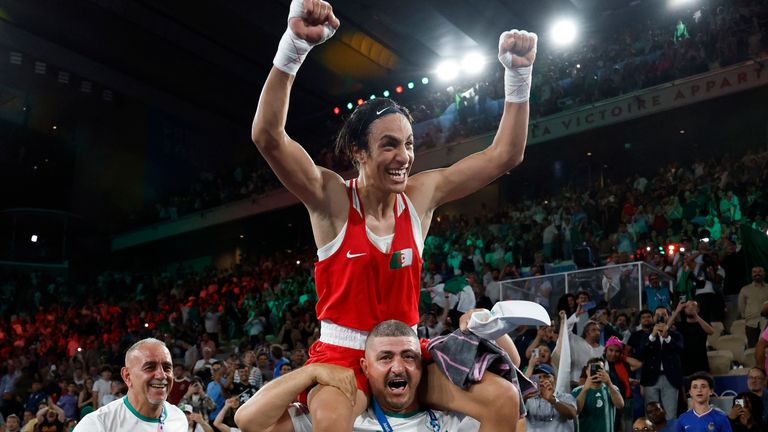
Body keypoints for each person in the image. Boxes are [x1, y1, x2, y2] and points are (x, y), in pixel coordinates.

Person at [252, 0, 537, 429]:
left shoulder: (422, 195)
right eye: (389, 145)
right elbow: (268, 137)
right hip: (343, 356)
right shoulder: (331, 198)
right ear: (357, 153)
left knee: (503, 400)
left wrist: (518, 74)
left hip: (407, 348)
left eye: (408, 144)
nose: (403, 156)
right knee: (330, 423)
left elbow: (506, 154)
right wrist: (294, 46)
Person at [234, 318, 523, 431]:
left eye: (408, 357)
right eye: (385, 357)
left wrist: (485, 323)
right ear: (364, 367)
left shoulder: (452, 420)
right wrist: (313, 371)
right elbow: (249, 421)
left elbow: (512, 373)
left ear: (422, 365)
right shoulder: (342, 419)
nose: (398, 367)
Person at [73, 338, 186, 431]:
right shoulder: (97, 424)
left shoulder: (178, 418)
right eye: (149, 367)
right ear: (127, 376)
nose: (161, 375)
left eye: (167, 368)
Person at [635, 306, 683, 420]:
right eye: (657, 314)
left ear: (669, 317)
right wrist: (652, 336)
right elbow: (641, 354)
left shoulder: (676, 335)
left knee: (670, 415)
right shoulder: (646, 336)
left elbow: (680, 350)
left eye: (664, 314)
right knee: (651, 416)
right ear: (653, 317)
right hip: (650, 379)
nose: (660, 317)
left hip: (670, 378)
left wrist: (667, 337)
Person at [572, 357, 625, 432]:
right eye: (593, 369)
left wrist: (609, 384)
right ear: (587, 371)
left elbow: (620, 405)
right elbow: (575, 411)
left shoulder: (612, 388)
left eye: (600, 369)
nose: (596, 372)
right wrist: (585, 389)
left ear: (605, 372)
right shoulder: (577, 391)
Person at [524, 364, 577, 432]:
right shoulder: (528, 399)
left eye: (546, 376)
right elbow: (514, 416)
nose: (542, 380)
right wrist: (524, 398)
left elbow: (572, 414)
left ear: (554, 379)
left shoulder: (565, 397)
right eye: (538, 377)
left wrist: (552, 399)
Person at [668, 299, 713, 376]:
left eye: (693, 305)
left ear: (698, 309)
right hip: (684, 364)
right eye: (687, 306)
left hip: (701, 363)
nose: (690, 308)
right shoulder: (680, 325)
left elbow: (711, 332)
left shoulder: (702, 323)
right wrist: (677, 310)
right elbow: (666, 328)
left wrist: (696, 316)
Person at [738, 266, 767, 348]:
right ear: (751, 274)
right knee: (752, 349)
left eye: (760, 271)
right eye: (754, 272)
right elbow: (741, 306)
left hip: (766, 323)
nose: (757, 273)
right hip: (751, 323)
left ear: (764, 273)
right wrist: (746, 317)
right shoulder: (745, 289)